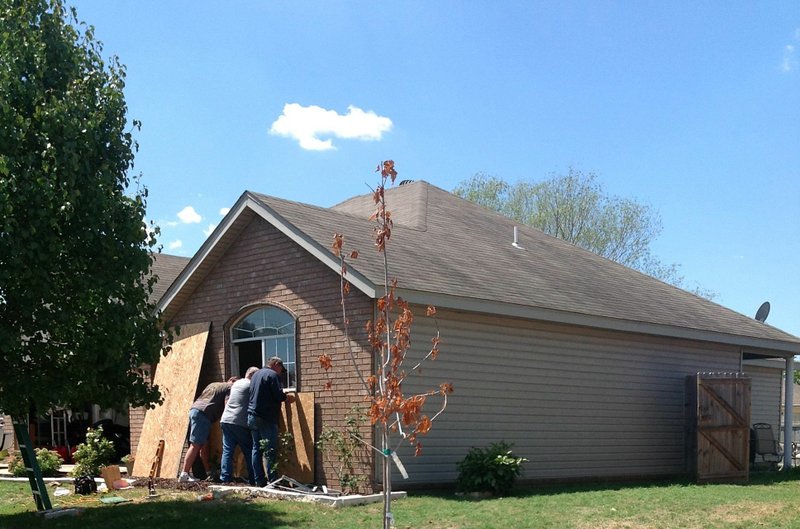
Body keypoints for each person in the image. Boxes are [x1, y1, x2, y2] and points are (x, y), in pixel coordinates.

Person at [248, 356, 295, 487]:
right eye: (281, 369)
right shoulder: (273, 375)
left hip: (252, 416)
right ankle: (273, 481)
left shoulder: (255, 375)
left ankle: (259, 481)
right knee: (270, 450)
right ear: (276, 364)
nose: (280, 372)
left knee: (256, 449)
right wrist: (286, 398)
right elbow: (278, 395)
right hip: (266, 417)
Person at [178, 377, 236, 482]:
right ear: (233, 382)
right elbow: (227, 405)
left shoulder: (213, 384)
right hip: (203, 414)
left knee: (203, 445)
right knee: (195, 445)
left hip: (195, 410)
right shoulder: (230, 387)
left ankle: (208, 473)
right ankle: (184, 474)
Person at [219, 366, 259, 484]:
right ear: (252, 375)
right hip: (239, 422)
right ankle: (254, 478)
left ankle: (225, 478)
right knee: (249, 450)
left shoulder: (237, 383)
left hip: (226, 419)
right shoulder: (250, 385)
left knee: (227, 450)